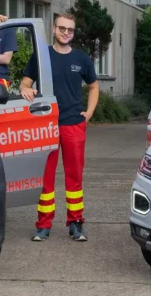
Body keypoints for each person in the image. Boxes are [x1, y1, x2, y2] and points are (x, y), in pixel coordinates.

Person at [20, 13, 99, 242]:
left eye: (70, 30)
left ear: (74, 33)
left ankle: (75, 223)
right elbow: (26, 82)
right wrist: (26, 89)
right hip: (46, 125)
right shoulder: (41, 56)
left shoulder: (81, 58)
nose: (66, 33)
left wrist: (89, 113)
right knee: (46, 178)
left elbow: (94, 87)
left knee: (74, 177)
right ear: (54, 29)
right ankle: (43, 225)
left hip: (73, 123)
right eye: (62, 28)